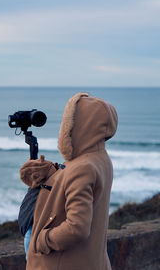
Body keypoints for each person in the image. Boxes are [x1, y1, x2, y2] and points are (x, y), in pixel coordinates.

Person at [20, 92, 118, 270]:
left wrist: (40, 240)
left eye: (69, 122)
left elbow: (77, 227)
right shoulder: (100, 158)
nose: (65, 127)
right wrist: (54, 172)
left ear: (82, 125)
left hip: (62, 262)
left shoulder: (82, 167)